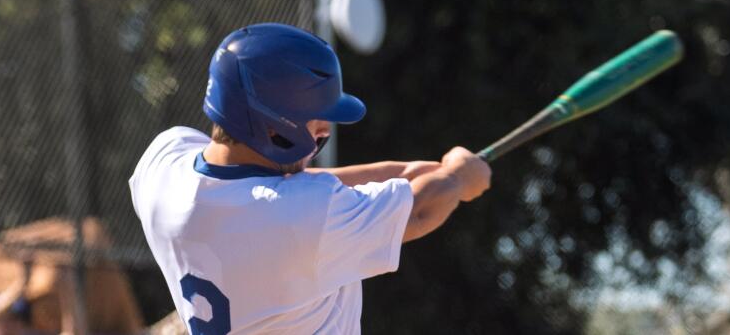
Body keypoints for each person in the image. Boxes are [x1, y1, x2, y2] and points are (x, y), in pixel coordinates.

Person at [130, 23, 491, 335]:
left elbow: (278, 189)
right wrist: (459, 178)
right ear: (274, 126)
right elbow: (420, 211)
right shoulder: (305, 219)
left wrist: (416, 171)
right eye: (317, 122)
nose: (325, 131)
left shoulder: (161, 165)